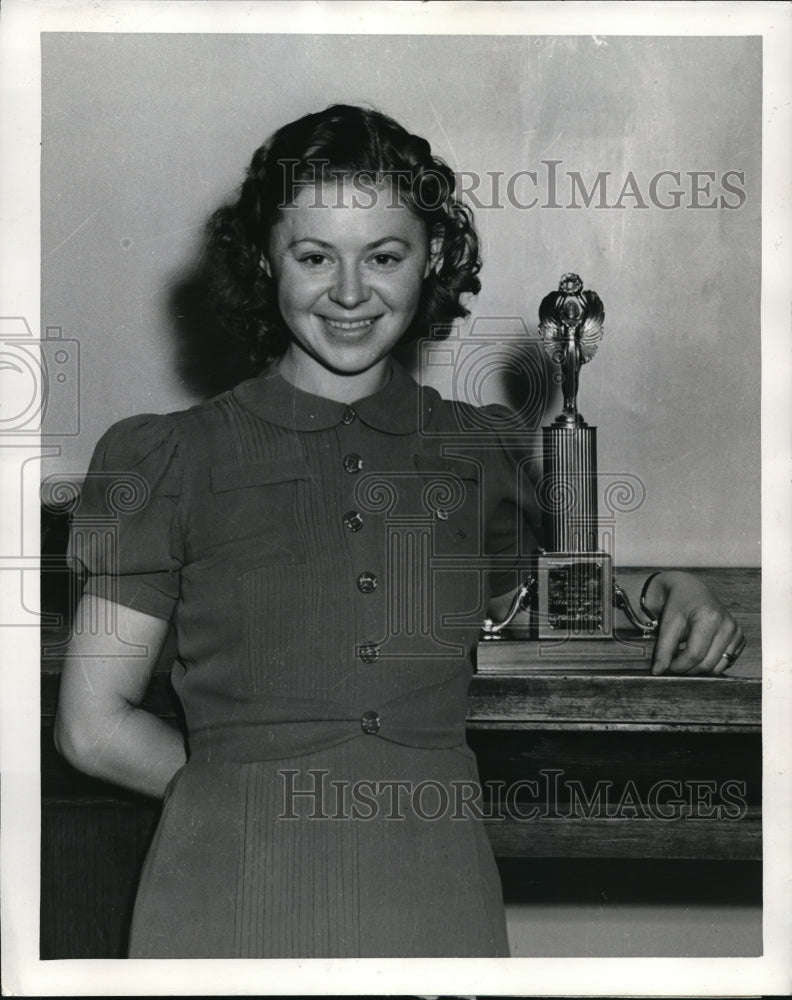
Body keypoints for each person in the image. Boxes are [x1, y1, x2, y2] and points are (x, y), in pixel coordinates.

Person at [54, 104, 745, 959]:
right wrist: (238, 797)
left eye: (384, 256)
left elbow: (553, 606)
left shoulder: (479, 453)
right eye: (315, 257)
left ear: (432, 260)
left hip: (434, 889)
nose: (350, 292)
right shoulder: (167, 457)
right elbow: (93, 726)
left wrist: (666, 590)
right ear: (267, 258)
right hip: (226, 891)